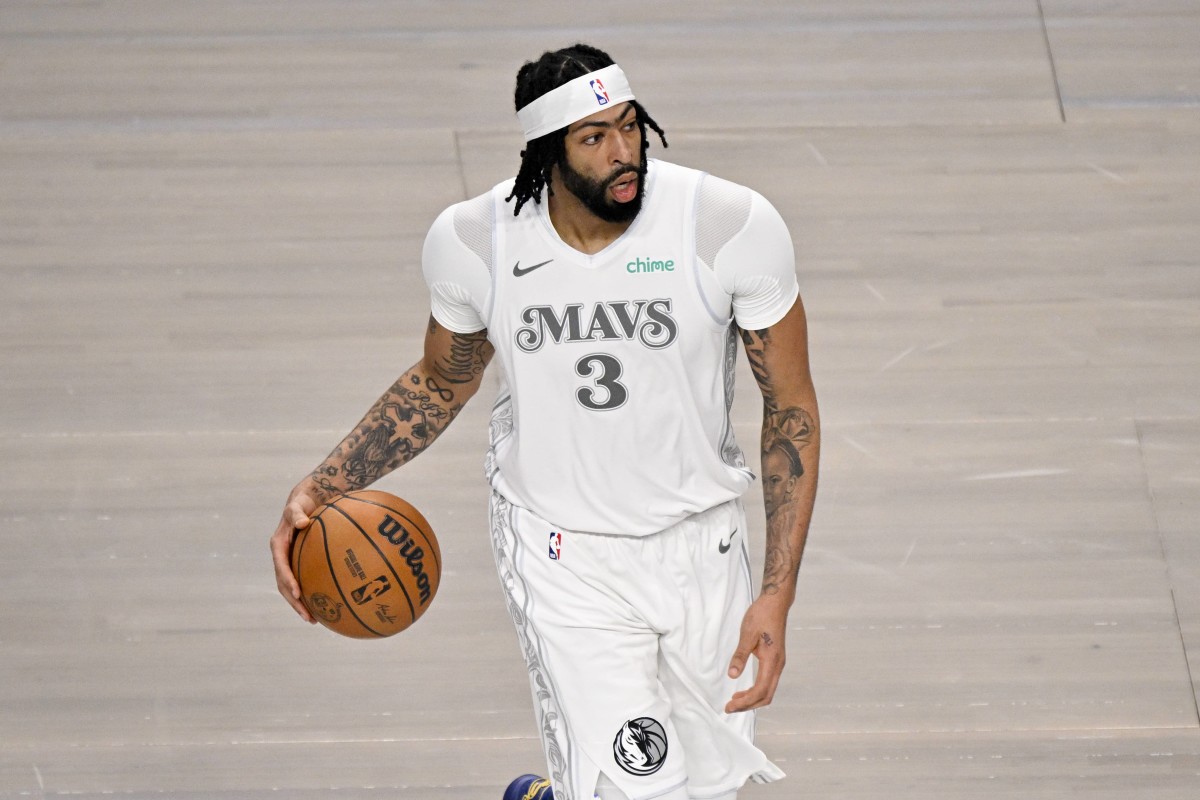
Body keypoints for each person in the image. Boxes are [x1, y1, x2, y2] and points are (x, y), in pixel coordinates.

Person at [269, 43, 820, 800]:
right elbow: (439, 383)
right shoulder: (477, 242)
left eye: (630, 127)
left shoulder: (726, 224)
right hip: (564, 556)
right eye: (594, 139)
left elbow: (790, 409)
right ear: (545, 154)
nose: (624, 153)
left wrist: (778, 591)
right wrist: (325, 482)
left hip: (703, 547)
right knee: (640, 792)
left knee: (711, 791)